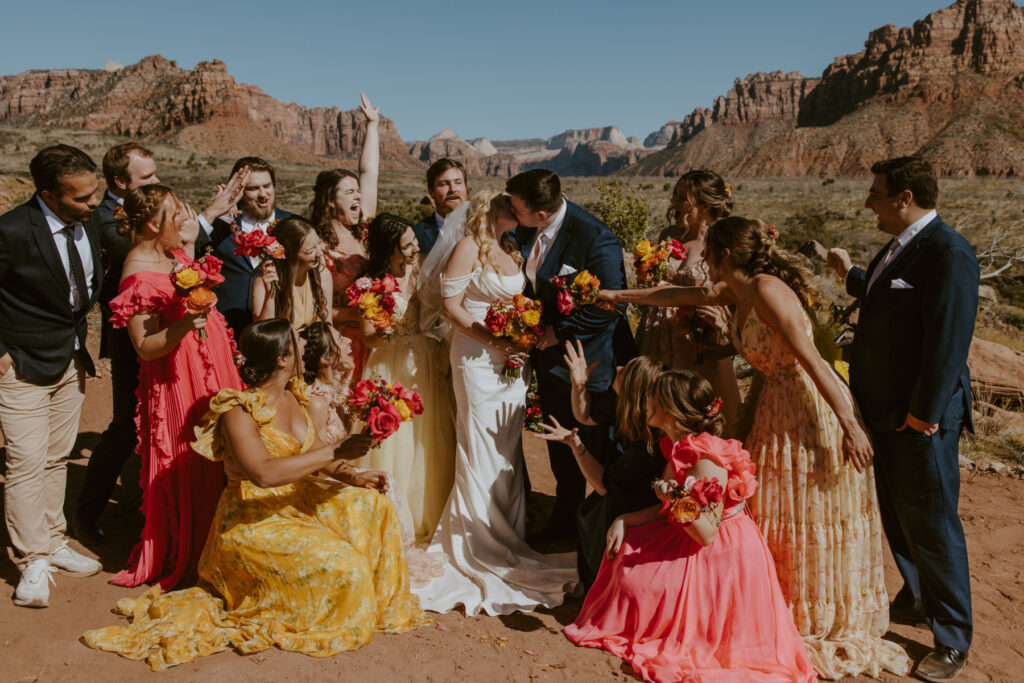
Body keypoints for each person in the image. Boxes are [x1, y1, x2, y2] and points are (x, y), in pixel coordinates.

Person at [599, 216, 912, 679]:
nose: (704, 261)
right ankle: (770, 609)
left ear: (725, 255)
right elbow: (676, 295)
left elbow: (811, 357)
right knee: (777, 509)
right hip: (775, 406)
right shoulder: (737, 292)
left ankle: (809, 618)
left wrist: (850, 424)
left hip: (809, 408)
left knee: (807, 510)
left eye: (709, 255)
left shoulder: (766, 290)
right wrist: (619, 298)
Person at [83, 319, 427, 670]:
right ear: (281, 358)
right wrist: (338, 452)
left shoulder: (298, 396)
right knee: (348, 567)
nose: (304, 346)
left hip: (297, 500)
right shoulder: (237, 410)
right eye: (297, 342)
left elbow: (315, 452)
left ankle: (375, 602)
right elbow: (262, 474)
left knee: (375, 506)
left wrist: (357, 476)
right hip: (251, 520)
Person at [827, 157, 977, 683]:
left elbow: (948, 341)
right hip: (885, 414)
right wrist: (849, 275)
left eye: (876, 193)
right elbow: (890, 298)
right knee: (896, 514)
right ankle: (917, 597)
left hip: (918, 419)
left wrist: (925, 414)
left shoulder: (948, 252)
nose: (869, 201)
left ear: (904, 198)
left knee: (933, 525)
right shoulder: (901, 247)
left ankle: (953, 640)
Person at [564, 370, 816, 683]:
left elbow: (707, 532)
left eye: (650, 399)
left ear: (668, 410)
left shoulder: (705, 458)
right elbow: (671, 507)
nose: (645, 404)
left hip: (722, 554)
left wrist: (672, 498)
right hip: (687, 531)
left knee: (639, 581)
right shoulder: (678, 445)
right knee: (629, 553)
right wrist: (625, 519)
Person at [412, 191, 578, 615]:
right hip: (476, 359)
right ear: (493, 210)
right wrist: (496, 340)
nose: (517, 213)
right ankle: (480, 539)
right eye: (511, 207)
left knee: (506, 446)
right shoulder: (468, 246)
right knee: (481, 444)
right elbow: (450, 307)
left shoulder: (510, 248)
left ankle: (509, 533)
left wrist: (520, 337)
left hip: (512, 361)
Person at [74, 143, 246, 545]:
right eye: (147, 177)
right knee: (128, 429)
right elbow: (146, 266)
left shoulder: (158, 228)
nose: (156, 180)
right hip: (141, 343)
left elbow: (177, 258)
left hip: (182, 347)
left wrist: (205, 222)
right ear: (123, 181)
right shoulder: (109, 222)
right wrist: (203, 219)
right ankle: (88, 514)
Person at [107, 184, 243, 590]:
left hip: (209, 368)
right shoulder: (136, 275)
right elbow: (146, 348)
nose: (183, 220)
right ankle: (196, 548)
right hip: (178, 378)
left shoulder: (173, 254)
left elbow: (191, 239)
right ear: (153, 224)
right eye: (174, 214)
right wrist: (185, 324)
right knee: (192, 459)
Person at [0, 144, 103, 607]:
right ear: (48, 193)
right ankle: (32, 560)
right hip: (21, 361)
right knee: (24, 461)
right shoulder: (11, 231)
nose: (93, 203)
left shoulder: (91, 223)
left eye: (94, 193)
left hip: (71, 358)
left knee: (57, 456)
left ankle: (54, 540)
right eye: (81, 198)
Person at [507, 168, 634, 541]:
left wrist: (557, 331)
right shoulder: (526, 230)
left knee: (599, 447)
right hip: (550, 364)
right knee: (561, 446)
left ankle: (606, 525)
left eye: (517, 209)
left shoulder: (596, 238)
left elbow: (610, 306)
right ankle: (564, 523)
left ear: (540, 214)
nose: (513, 215)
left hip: (593, 363)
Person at [355, 214, 456, 543]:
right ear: (389, 251)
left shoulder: (427, 267)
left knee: (431, 436)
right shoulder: (372, 284)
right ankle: (397, 517)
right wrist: (386, 328)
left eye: (415, 241)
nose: (415, 248)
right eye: (406, 245)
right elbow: (368, 337)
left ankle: (432, 512)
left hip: (427, 361)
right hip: (391, 364)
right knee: (398, 439)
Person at [540, 343, 665, 589]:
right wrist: (579, 385)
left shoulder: (647, 447)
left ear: (633, 390)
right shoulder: (624, 406)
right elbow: (584, 416)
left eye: (622, 371)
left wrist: (577, 446)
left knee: (594, 512)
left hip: (636, 507)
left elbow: (602, 486)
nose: (616, 368)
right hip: (621, 493)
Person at [636, 170, 740, 429]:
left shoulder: (719, 240)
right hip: (657, 333)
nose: (674, 202)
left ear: (705, 205)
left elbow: (731, 290)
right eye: (675, 195)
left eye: (683, 198)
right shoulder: (668, 235)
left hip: (692, 338)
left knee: (689, 410)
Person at [308, 93, 381, 383]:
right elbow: (319, 309)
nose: (358, 196)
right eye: (349, 192)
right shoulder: (319, 246)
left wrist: (372, 126)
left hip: (376, 336)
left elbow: (370, 173)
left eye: (357, 191)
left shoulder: (364, 229)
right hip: (342, 340)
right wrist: (356, 316)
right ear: (329, 201)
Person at [202, 157, 294, 337]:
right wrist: (217, 213)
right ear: (239, 190)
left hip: (278, 331)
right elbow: (193, 247)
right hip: (227, 329)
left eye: (267, 186)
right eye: (253, 188)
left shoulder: (294, 226)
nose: (263, 194)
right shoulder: (222, 227)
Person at [252, 217, 333, 330]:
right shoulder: (263, 284)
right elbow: (265, 334)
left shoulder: (322, 276)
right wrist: (270, 295)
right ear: (291, 256)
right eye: (310, 251)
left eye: (319, 243)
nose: (320, 253)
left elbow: (328, 326)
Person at [413, 158, 468, 256]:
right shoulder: (417, 234)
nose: (453, 189)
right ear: (431, 192)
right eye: (444, 184)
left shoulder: (485, 228)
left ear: (465, 187)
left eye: (458, 182)